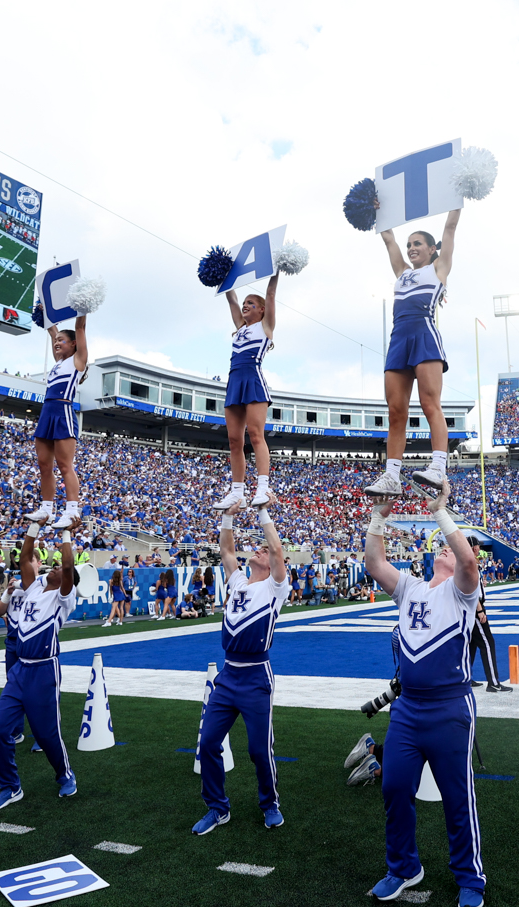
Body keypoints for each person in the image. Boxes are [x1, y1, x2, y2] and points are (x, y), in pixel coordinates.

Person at [360, 481, 487, 907]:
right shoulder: (411, 587)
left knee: (457, 796)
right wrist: (379, 514)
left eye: (452, 549)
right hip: (408, 709)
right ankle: (403, 867)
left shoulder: (463, 593)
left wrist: (440, 513)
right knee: (394, 787)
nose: (449, 551)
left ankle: (469, 875)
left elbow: (468, 559)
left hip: (450, 707)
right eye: (446, 548)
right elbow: (374, 562)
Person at [192, 500, 291, 835]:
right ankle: (218, 808)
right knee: (207, 744)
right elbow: (225, 549)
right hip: (228, 674)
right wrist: (226, 517)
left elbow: (276, 548)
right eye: (258, 548)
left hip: (255, 676)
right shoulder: (237, 583)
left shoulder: (276, 587)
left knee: (258, 750)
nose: (261, 550)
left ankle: (270, 804)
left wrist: (263, 513)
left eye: (265, 550)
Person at [365, 210, 460, 496]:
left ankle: (438, 465)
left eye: (417, 244)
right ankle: (392, 475)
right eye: (409, 245)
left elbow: (451, 227)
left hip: (424, 336)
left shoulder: (439, 269)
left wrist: (456, 200)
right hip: (398, 340)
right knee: (396, 412)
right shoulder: (402, 273)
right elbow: (388, 239)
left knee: (430, 403)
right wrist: (378, 210)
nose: (411, 248)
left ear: (432, 250)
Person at [0, 525, 80, 810]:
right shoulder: (37, 587)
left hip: (43, 671)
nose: (52, 568)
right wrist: (34, 526)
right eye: (50, 567)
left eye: (57, 569)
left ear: (66, 579)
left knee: (47, 734)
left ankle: (64, 774)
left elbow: (67, 563)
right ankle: (10, 787)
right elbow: (25, 558)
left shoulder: (64, 597)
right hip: (19, 670)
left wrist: (65, 532)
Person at [213, 272, 280, 510]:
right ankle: (237, 492)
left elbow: (271, 294)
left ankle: (263, 486)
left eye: (251, 304)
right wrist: (224, 275)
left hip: (252, 378)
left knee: (255, 434)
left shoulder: (265, 327)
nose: (245, 307)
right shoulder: (240, 327)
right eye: (245, 304)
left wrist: (276, 270)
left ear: (262, 310)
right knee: (233, 440)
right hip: (234, 381)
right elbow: (231, 299)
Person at [26, 311, 88, 530]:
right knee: (44, 465)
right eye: (56, 341)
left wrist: (83, 309)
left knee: (64, 465)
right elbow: (52, 330)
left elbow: (80, 328)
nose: (57, 343)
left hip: (63, 410)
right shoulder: (58, 362)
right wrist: (45, 313)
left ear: (73, 344)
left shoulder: (77, 361)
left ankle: (71, 511)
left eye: (62, 340)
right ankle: (46, 508)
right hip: (46, 411)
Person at [470, 587, 511, 693]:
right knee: (487, 644)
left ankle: (465, 678)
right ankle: (493, 682)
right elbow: (470, 589)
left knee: (471, 645)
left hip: (470, 608)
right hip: (473, 609)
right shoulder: (469, 569)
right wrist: (479, 609)